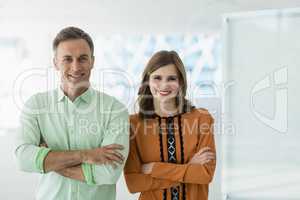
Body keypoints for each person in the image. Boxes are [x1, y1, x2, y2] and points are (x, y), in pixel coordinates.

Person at [15, 27, 129, 200]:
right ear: (55, 62)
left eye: (82, 59)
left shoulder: (115, 109)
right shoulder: (36, 106)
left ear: (92, 61)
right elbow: (23, 158)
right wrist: (86, 155)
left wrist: (49, 159)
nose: (75, 67)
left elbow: (108, 172)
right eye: (67, 59)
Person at [124, 50, 216, 200]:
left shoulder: (202, 119)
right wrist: (189, 167)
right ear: (148, 81)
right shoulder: (133, 124)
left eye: (171, 78)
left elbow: (205, 175)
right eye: (157, 78)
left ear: (181, 82)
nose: (164, 85)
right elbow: (134, 183)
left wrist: (153, 168)